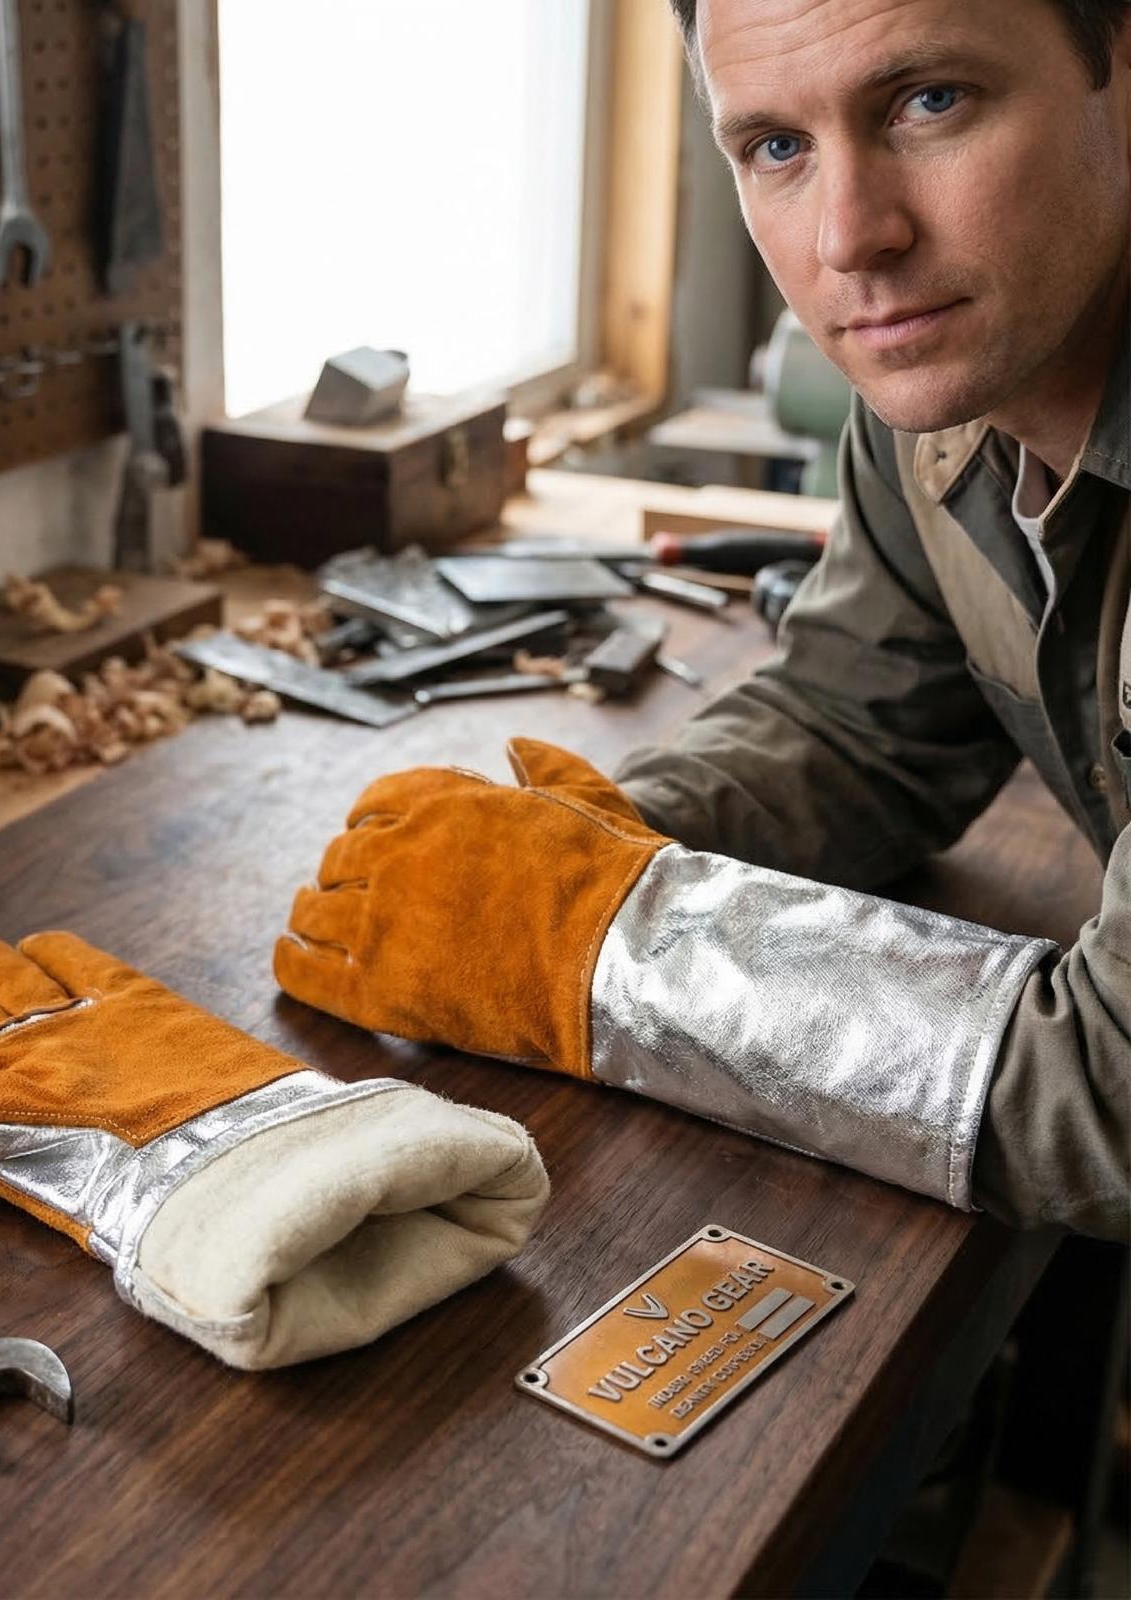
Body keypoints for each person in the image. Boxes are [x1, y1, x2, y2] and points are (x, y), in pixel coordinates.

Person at [275, 0, 1130, 1240]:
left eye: (929, 102)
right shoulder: (939, 383)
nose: (850, 238)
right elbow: (858, 723)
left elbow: (1110, 1095)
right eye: (776, 146)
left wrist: (600, 942)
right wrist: (589, 843)